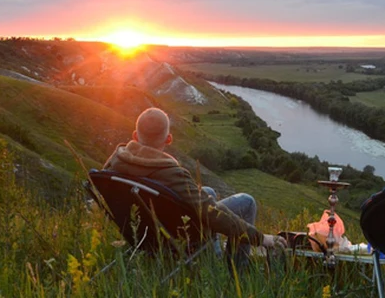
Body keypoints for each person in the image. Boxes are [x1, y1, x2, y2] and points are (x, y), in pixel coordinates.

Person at [103, 107, 286, 268]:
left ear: (135, 136)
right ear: (168, 139)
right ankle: (237, 271)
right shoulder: (171, 174)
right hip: (176, 235)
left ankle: (213, 253)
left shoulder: (115, 162)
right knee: (247, 201)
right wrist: (261, 238)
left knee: (207, 192)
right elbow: (211, 212)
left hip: (141, 232)